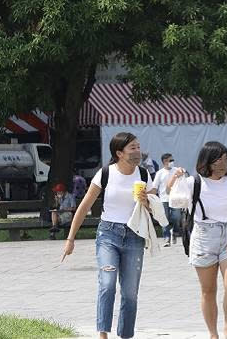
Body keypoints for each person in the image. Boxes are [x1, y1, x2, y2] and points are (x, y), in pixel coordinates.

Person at [61, 132, 153, 339]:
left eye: (138, 147)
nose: (137, 151)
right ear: (119, 153)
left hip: (134, 236)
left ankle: (125, 335)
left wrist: (146, 200)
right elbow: (84, 207)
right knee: (108, 283)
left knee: (130, 293)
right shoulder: (105, 174)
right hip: (108, 235)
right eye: (133, 148)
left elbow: (155, 209)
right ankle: (103, 334)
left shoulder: (144, 175)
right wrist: (70, 239)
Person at [166, 142, 227, 339]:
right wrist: (176, 178)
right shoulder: (195, 182)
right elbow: (174, 200)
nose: (223, 163)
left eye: (226, 158)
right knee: (208, 290)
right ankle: (213, 333)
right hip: (203, 235)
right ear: (207, 161)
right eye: (218, 159)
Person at [153, 153, 181, 247]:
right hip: (164, 198)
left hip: (175, 198)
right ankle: (166, 237)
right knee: (164, 218)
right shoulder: (160, 173)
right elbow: (155, 186)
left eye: (173, 160)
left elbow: (182, 181)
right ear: (165, 161)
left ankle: (175, 230)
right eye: (170, 160)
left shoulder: (177, 170)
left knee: (177, 216)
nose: (172, 162)